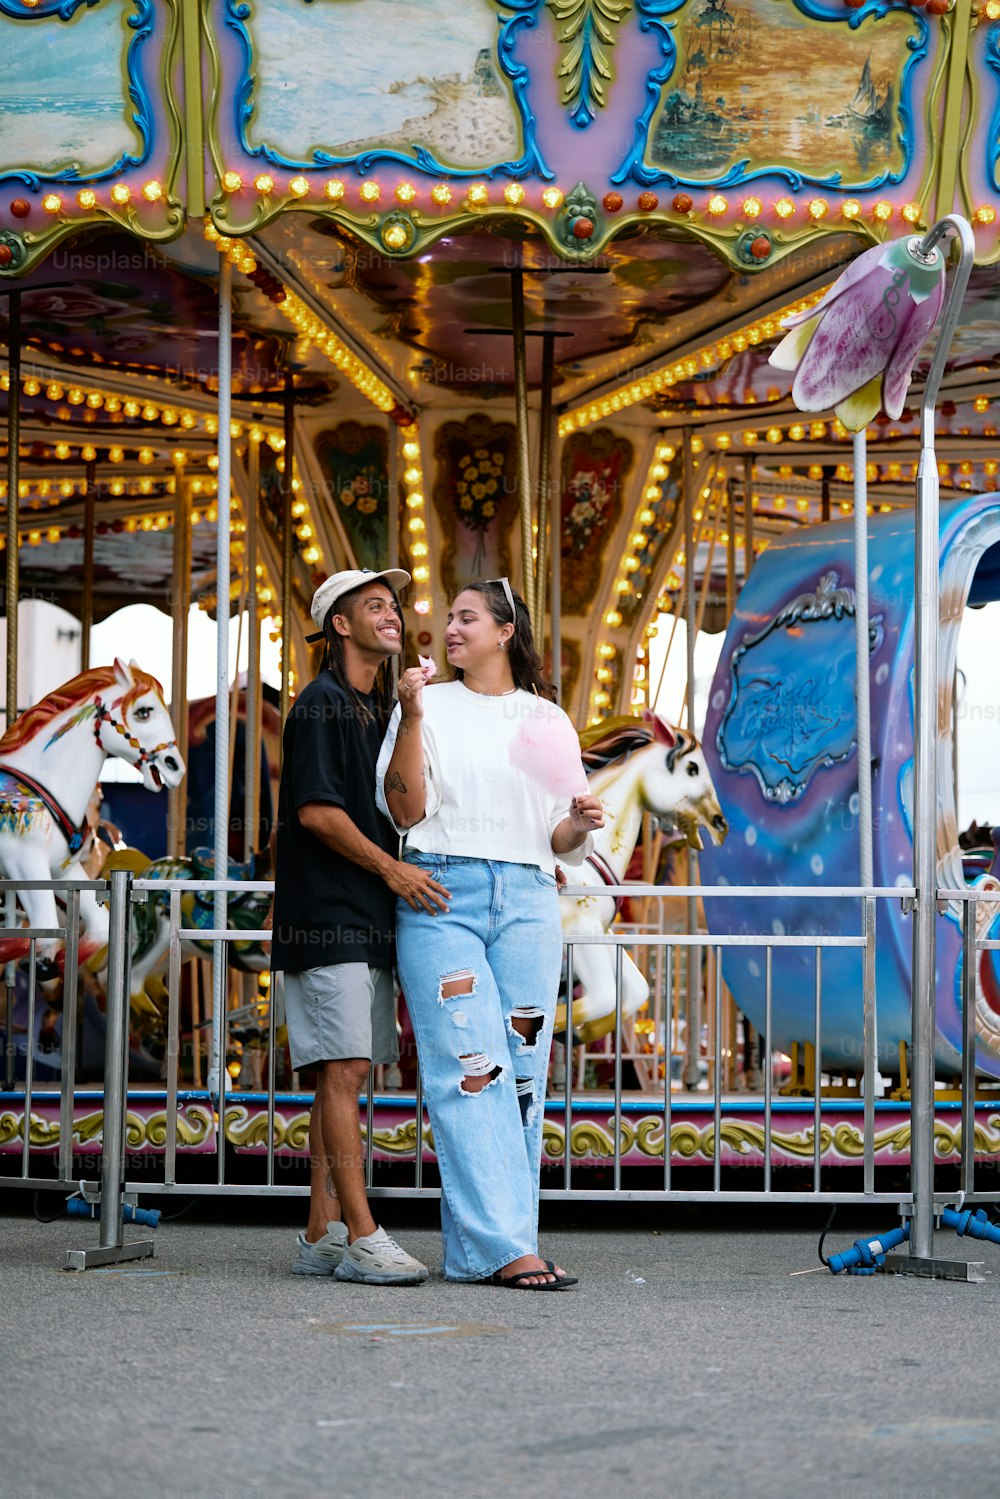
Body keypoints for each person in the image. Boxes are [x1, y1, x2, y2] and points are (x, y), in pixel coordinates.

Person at [377, 578, 604, 1288]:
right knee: (471, 1067)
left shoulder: (545, 717)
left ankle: (501, 1243)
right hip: (445, 890)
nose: (451, 628)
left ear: (504, 631)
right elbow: (405, 810)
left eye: (467, 617)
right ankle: (503, 1246)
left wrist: (580, 823)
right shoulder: (427, 704)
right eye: (449, 618)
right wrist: (410, 715)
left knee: (525, 1072)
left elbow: (556, 834)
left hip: (530, 896)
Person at [270, 567, 449, 1284]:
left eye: (395, 607)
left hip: (365, 915)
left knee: (343, 1076)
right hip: (328, 913)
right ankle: (365, 1232)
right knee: (342, 1071)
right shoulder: (318, 704)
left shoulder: (377, 709)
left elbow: (405, 806)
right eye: (376, 606)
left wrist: (411, 713)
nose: (394, 616)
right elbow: (316, 810)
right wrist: (393, 870)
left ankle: (322, 1228)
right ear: (339, 625)